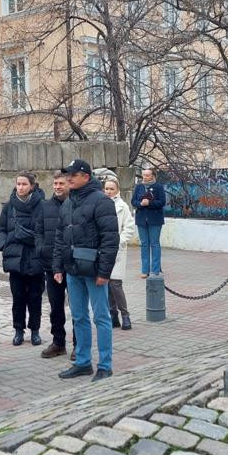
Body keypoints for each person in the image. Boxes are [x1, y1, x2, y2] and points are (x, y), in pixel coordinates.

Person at [53, 159, 120, 381]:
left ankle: (105, 365)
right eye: (67, 174)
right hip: (73, 269)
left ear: (86, 177)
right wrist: (58, 266)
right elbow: (60, 238)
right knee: (79, 316)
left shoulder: (102, 201)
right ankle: (83, 362)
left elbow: (110, 240)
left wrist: (104, 272)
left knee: (101, 317)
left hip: (93, 270)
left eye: (73, 174)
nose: (69, 178)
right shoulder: (67, 203)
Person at [0, 172, 45, 346]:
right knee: (17, 298)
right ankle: (18, 330)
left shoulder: (42, 206)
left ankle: (35, 330)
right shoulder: (9, 206)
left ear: (32, 186)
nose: (21, 187)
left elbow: (45, 231)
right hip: (15, 257)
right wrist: (4, 245)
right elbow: (1, 229)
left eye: (24, 184)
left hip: (35, 256)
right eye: (18, 184)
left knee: (35, 297)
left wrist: (37, 244)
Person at [35, 170, 72, 359]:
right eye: (55, 183)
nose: (57, 187)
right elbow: (38, 230)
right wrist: (41, 248)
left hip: (73, 266)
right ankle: (58, 342)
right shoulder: (45, 206)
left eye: (61, 184)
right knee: (56, 307)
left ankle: (79, 344)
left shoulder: (75, 204)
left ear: (68, 184)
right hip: (51, 266)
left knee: (77, 308)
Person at [102, 177, 137, 330]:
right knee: (106, 283)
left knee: (115, 284)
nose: (109, 191)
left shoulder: (122, 206)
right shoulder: (100, 205)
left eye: (111, 189)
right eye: (107, 189)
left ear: (117, 190)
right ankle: (112, 315)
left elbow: (129, 228)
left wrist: (119, 241)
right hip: (103, 249)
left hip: (117, 250)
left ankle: (125, 314)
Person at [131, 167, 166, 278]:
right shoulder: (139, 187)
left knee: (154, 244)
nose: (145, 177)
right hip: (141, 220)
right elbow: (133, 201)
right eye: (143, 175)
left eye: (147, 175)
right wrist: (140, 203)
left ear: (153, 176)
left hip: (155, 220)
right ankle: (145, 270)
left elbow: (162, 202)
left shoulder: (158, 187)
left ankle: (155, 270)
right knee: (144, 244)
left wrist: (149, 203)